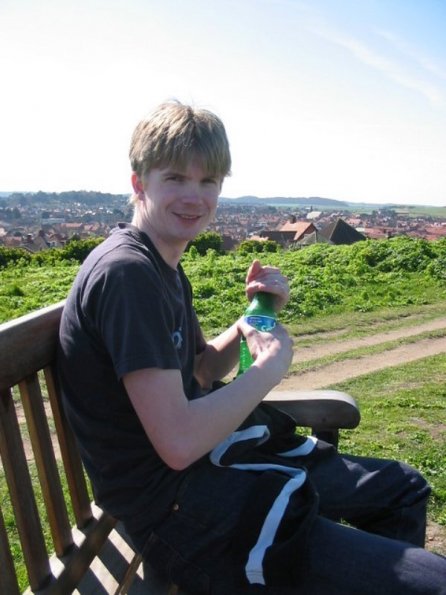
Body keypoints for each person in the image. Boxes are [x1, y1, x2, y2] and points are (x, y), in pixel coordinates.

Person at [57, 100, 446, 594]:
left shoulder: (159, 265)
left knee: (403, 490)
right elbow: (177, 443)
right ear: (139, 183)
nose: (194, 197)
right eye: (176, 178)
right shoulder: (127, 274)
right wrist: (266, 371)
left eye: (209, 181)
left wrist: (254, 318)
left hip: (198, 476)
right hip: (178, 511)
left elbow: (197, 370)